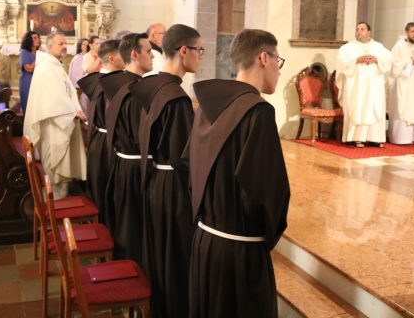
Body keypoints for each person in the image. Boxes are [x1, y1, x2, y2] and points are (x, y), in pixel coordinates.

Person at [188, 29, 290, 318]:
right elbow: (268, 194)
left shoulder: (206, 105)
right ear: (263, 58)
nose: (279, 70)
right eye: (278, 61)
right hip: (239, 256)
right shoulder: (258, 112)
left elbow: (191, 168)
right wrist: (264, 238)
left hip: (204, 243)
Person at [130, 24, 202, 318]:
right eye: (199, 50)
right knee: (176, 257)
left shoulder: (153, 86)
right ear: (184, 51)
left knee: (160, 254)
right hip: (173, 188)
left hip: (155, 181)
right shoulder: (177, 97)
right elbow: (185, 158)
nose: (200, 56)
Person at [99, 33, 153, 264]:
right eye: (149, 51)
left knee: (125, 223)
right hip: (135, 169)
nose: (153, 56)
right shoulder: (136, 91)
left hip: (122, 162)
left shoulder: (118, 83)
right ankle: (131, 275)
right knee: (134, 229)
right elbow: (142, 137)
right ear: (134, 54)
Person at [23, 32, 87, 199]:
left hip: (63, 122)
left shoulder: (55, 65)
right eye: (60, 44)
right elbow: (52, 100)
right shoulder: (45, 68)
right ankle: (54, 207)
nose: (65, 46)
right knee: (56, 170)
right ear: (50, 46)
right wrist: (73, 111)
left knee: (63, 171)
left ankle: (59, 202)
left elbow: (68, 91)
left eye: (65, 43)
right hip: (54, 126)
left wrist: (75, 108)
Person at [77, 39, 125, 225]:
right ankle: (104, 231)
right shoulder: (108, 84)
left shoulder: (97, 81)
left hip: (99, 140)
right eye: (122, 55)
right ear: (111, 58)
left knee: (101, 189)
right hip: (106, 143)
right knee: (105, 192)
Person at [336, 22, 392, 147]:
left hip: (374, 86)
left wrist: (377, 59)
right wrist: (356, 60)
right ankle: (357, 138)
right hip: (357, 86)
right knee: (358, 107)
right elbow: (341, 63)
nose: (359, 31)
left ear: (368, 32)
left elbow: (389, 61)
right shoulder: (347, 48)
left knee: (374, 107)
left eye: (362, 29)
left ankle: (374, 138)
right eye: (357, 29)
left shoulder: (378, 47)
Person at [389, 22, 414, 144]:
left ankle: (412, 137)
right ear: (406, 32)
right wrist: (409, 61)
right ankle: (400, 138)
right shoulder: (399, 46)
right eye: (412, 31)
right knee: (403, 107)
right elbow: (394, 64)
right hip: (403, 83)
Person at [19, 31, 42, 113]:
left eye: (38, 37)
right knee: (29, 109)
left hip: (38, 82)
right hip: (28, 82)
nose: (37, 39)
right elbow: (29, 68)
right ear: (29, 40)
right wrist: (39, 55)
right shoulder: (24, 52)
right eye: (34, 38)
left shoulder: (39, 52)